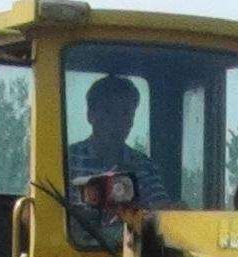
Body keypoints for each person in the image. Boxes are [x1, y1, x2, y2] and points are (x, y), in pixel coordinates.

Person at [67, 74, 173, 209]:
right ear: (90, 115)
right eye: (108, 111)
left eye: (125, 113)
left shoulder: (144, 166)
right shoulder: (69, 161)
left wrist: (173, 210)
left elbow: (161, 211)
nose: (117, 122)